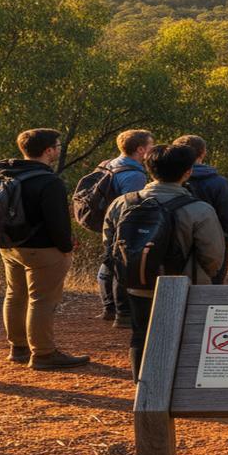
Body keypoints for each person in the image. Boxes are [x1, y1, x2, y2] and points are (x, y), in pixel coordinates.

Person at [103, 144, 225, 380]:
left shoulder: (122, 203)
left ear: (149, 169)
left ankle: (144, 387)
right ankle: (181, 388)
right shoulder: (199, 210)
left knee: (140, 335)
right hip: (185, 286)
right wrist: (203, 278)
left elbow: (109, 247)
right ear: (188, 172)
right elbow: (212, 257)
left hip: (138, 282)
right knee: (185, 337)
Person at [0, 128, 90, 370]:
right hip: (43, 249)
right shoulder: (49, 181)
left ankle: (18, 348)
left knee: (15, 296)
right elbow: (57, 221)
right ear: (48, 150)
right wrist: (66, 248)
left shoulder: (6, 174)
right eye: (57, 146)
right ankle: (44, 354)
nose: (58, 150)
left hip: (10, 247)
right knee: (42, 301)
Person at [96, 130, 153, 327]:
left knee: (108, 261)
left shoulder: (110, 164)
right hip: (123, 226)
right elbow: (132, 207)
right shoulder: (134, 175)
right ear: (140, 149)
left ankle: (108, 307)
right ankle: (121, 312)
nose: (152, 150)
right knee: (120, 265)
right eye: (150, 146)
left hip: (107, 221)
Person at [173, 135, 228, 284]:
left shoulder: (170, 179)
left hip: (175, 244)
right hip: (213, 243)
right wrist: (227, 238)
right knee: (210, 289)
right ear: (203, 153)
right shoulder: (218, 182)